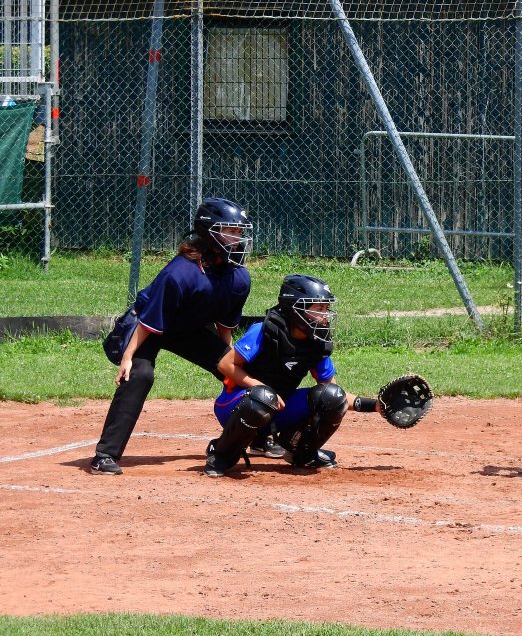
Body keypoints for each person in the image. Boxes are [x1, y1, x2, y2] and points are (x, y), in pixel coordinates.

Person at [89, 197, 253, 475]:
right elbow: (148, 321)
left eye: (239, 232)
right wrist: (127, 358)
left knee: (240, 372)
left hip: (187, 330)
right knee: (139, 375)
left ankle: (260, 436)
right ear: (208, 232)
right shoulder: (180, 273)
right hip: (148, 328)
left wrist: (230, 362)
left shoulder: (237, 278)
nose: (238, 239)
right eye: (230, 231)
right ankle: (105, 454)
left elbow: (224, 326)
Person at [203, 274, 380, 477]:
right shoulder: (265, 331)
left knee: (332, 396)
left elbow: (335, 391)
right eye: (318, 309)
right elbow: (225, 364)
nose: (325, 315)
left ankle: (302, 452)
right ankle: (222, 455)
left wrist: (374, 405)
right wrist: (258, 387)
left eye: (326, 309)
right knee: (263, 397)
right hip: (236, 406)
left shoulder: (316, 341)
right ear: (294, 308)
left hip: (278, 408)